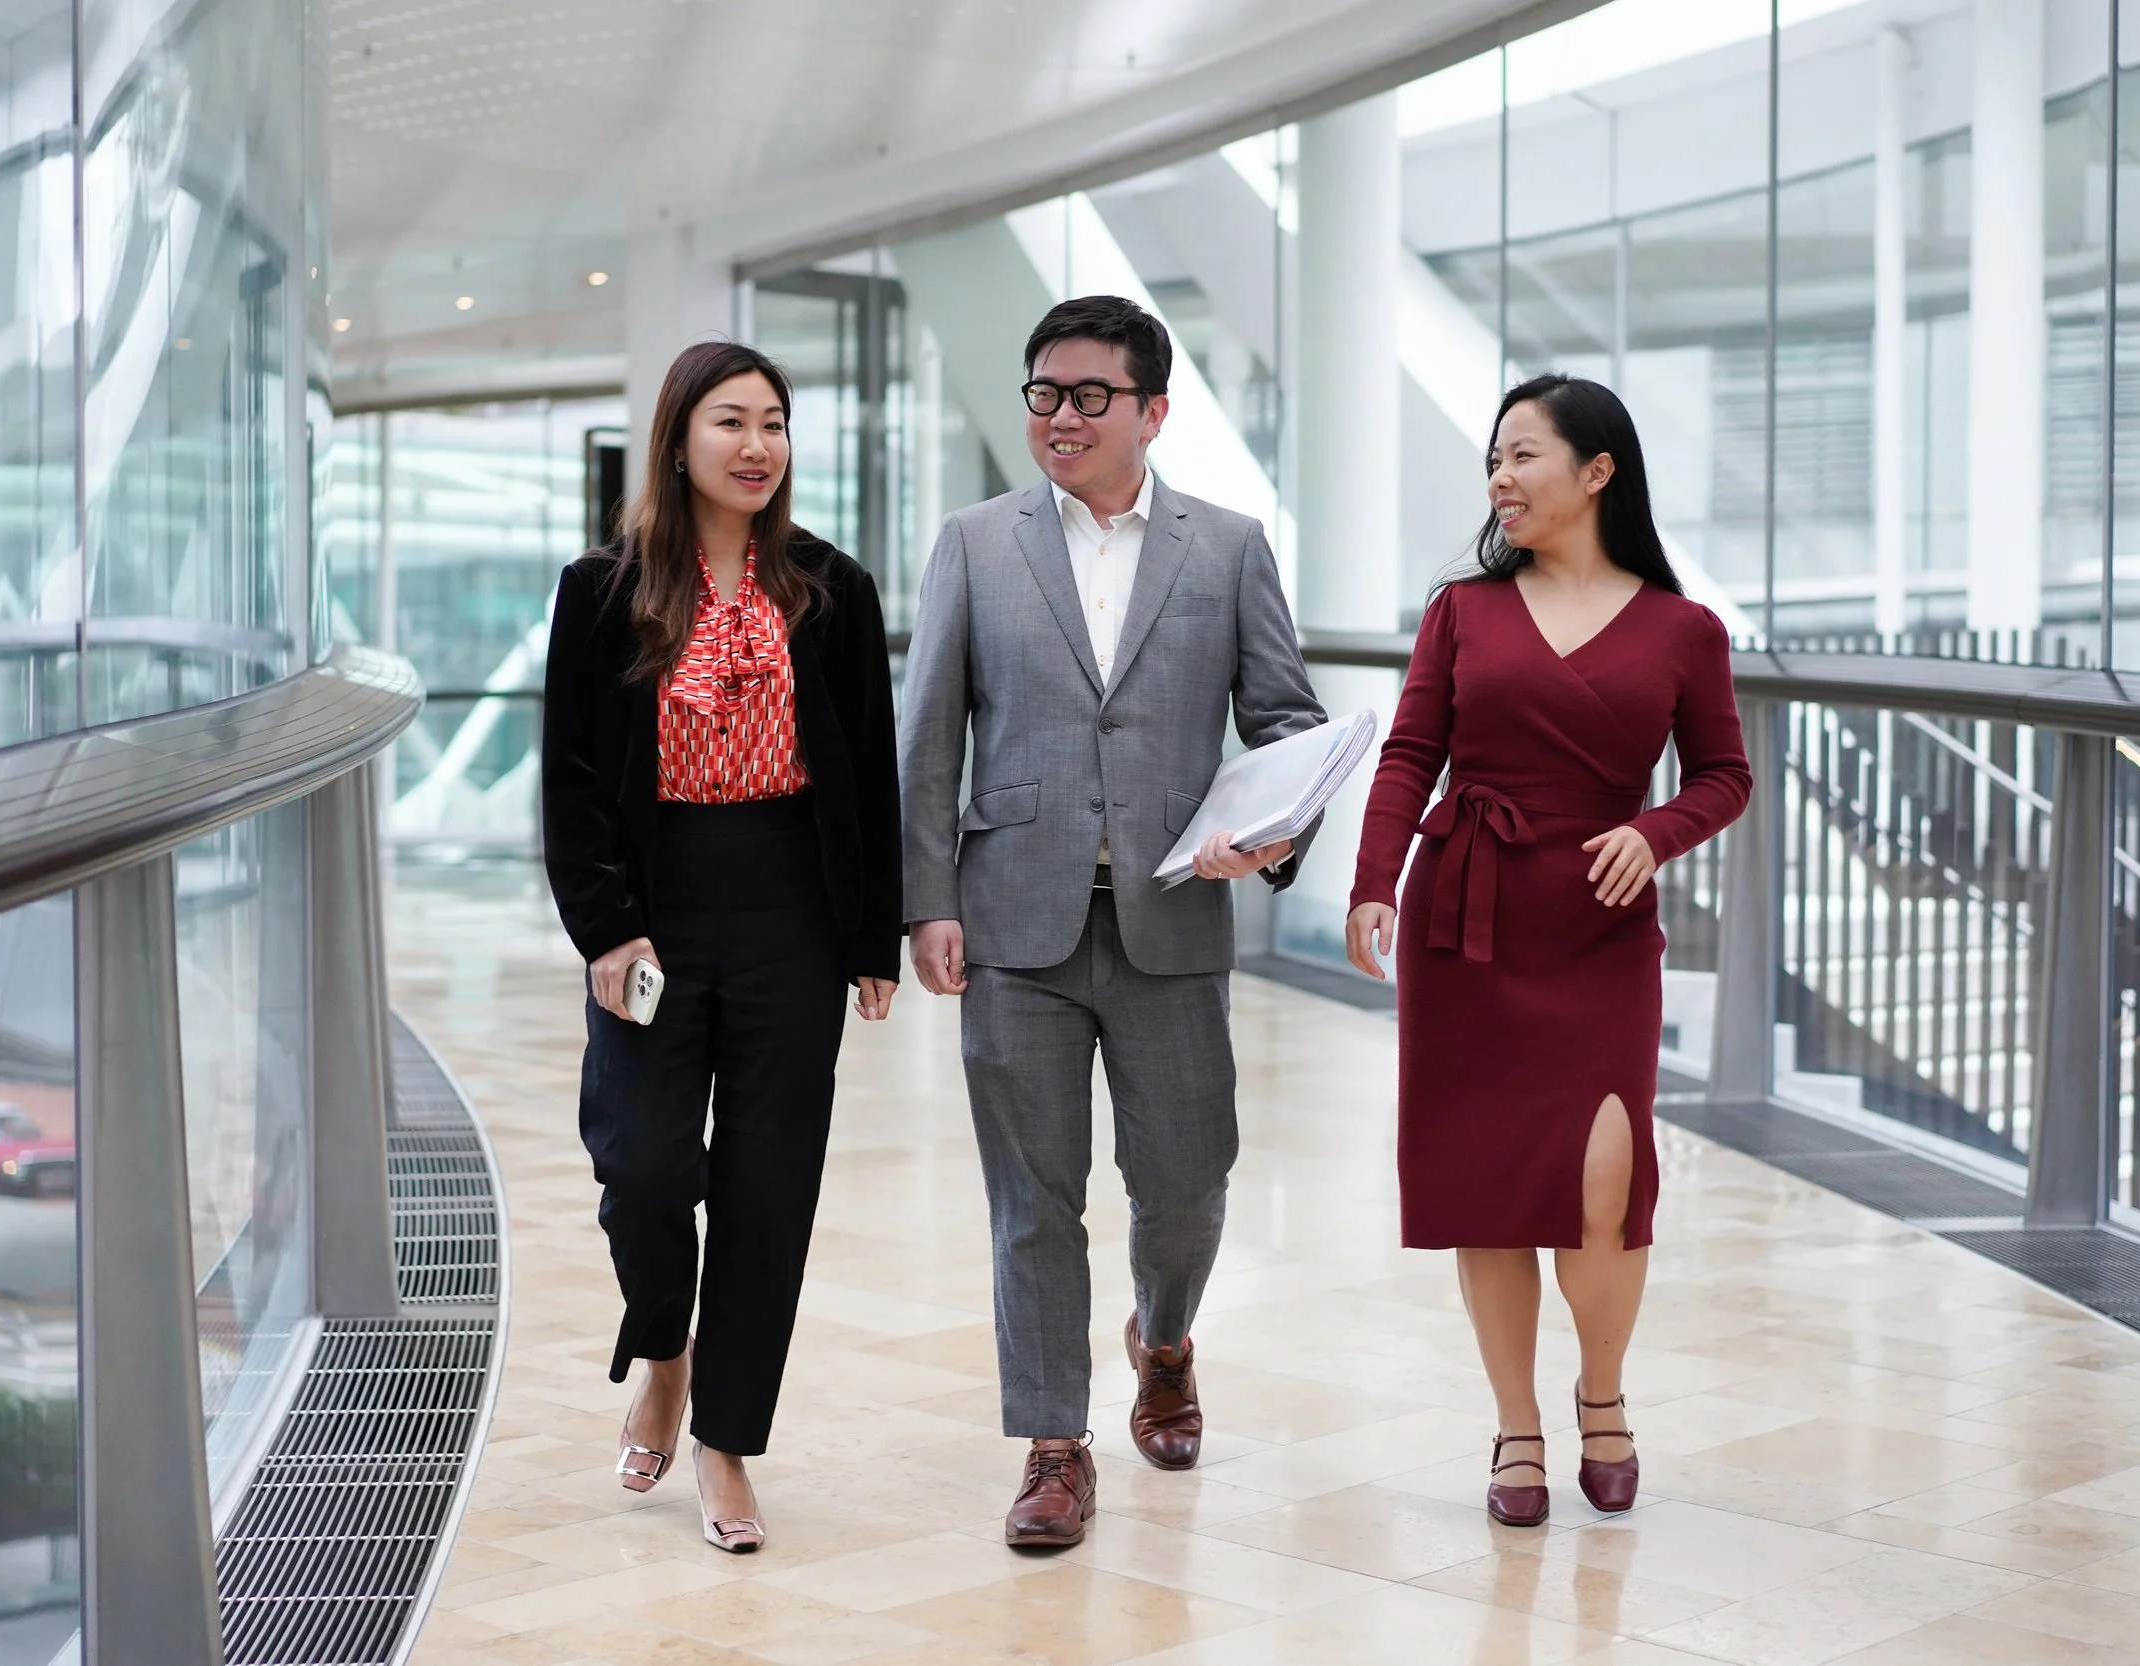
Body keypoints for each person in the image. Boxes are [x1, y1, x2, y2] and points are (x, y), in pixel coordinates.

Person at [898, 295, 1325, 1548]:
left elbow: (1286, 722)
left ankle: (1166, 1334)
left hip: (1174, 917)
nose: (1062, 416)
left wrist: (1279, 829)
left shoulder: (1229, 544)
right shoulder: (974, 543)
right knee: (1032, 1198)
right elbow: (927, 742)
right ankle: (1052, 1445)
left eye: (1090, 395)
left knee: (1187, 1183)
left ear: (1154, 410)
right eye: (1044, 393)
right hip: (1013, 920)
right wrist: (926, 900)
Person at [1344, 374, 1749, 1528]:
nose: (1500, 480)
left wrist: (1654, 831)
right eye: (1493, 461)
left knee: (1606, 1178)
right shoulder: (1462, 609)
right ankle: (1516, 1423)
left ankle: (1604, 1393)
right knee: (1486, 1183)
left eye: (1523, 456)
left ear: (1597, 471)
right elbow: (1411, 750)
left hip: (1599, 928)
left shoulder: (1683, 629)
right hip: (1463, 920)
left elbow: (1724, 774)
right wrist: (1375, 882)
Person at [541, 340, 902, 1554]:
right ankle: (663, 1347)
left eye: (775, 424)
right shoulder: (602, 590)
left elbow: (868, 771)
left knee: (768, 1187)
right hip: (653, 913)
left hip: (790, 909)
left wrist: (870, 936)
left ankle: (728, 1443)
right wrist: (604, 925)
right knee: (640, 1162)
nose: (757, 446)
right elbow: (574, 778)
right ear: (679, 438)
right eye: (731, 422)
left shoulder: (831, 590)